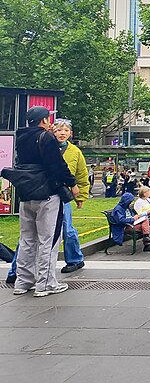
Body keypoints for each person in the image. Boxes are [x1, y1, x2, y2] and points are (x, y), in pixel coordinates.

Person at [8, 107, 76, 296]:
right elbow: (56, 165)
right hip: (47, 194)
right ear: (44, 120)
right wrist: (71, 183)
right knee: (49, 239)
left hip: (26, 194)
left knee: (27, 239)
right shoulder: (46, 138)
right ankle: (45, 284)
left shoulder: (21, 137)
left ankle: (23, 282)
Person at [52, 119, 89, 274]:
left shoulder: (75, 152)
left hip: (65, 195)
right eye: (59, 130)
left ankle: (75, 259)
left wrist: (80, 197)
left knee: (67, 229)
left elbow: (82, 175)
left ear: (70, 133)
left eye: (66, 130)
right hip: (47, 193)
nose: (62, 133)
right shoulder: (47, 147)